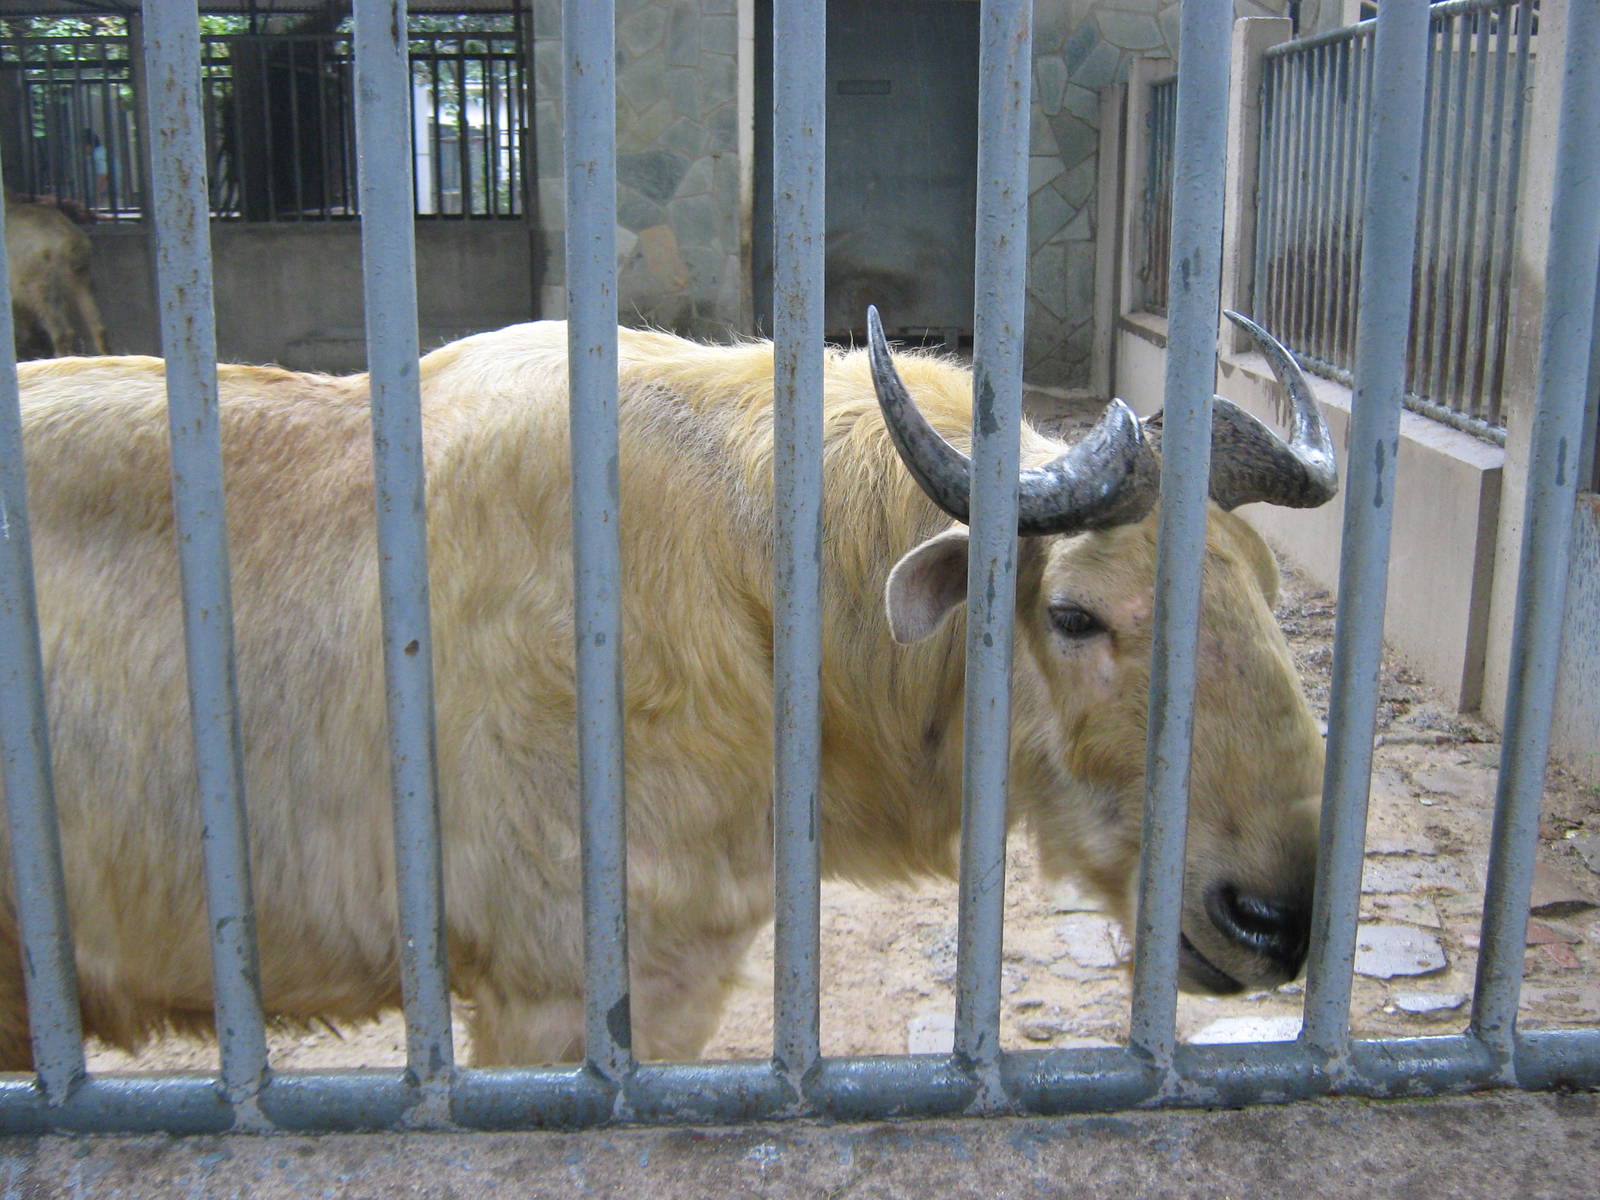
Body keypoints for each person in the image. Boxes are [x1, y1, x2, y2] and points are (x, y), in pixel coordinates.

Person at [81, 128, 108, 210]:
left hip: (104, 197)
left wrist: (97, 195)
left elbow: (104, 175)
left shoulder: (97, 155)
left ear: (88, 145)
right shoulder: (102, 152)